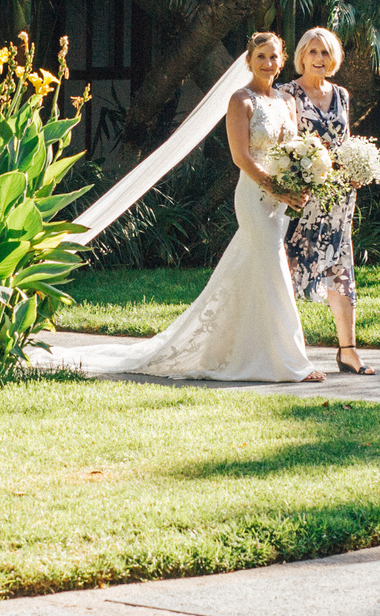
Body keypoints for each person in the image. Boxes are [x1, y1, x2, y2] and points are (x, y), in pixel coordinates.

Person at [41, 32, 322, 383]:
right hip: (254, 195)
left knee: (257, 268)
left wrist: (301, 179)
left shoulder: (286, 101)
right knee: (274, 266)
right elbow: (241, 157)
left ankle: (248, 351)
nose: (268, 63)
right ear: (248, 61)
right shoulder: (241, 100)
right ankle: (291, 361)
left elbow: (292, 148)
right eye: (261, 56)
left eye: (274, 57)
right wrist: (276, 187)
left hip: (281, 201)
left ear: (282, 61)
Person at [281, 26, 374, 375]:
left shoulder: (341, 95)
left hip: (339, 197)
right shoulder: (287, 93)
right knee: (290, 267)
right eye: (313, 52)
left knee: (340, 265)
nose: (319, 59)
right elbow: (285, 144)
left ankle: (348, 351)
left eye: (325, 53)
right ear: (302, 56)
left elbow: (345, 141)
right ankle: (287, 353)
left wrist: (356, 168)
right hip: (304, 195)